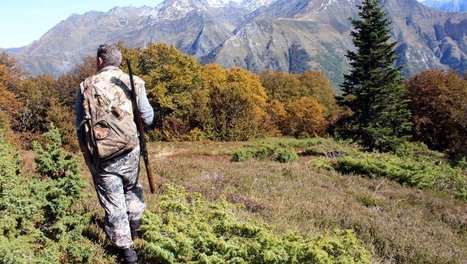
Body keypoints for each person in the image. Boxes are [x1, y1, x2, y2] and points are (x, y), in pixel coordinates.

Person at [75, 44, 154, 264]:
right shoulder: (135, 82)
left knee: (113, 201)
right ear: (118, 61)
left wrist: (86, 154)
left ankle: (127, 253)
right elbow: (147, 118)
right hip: (131, 150)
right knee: (131, 187)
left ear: (100, 61)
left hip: (103, 154)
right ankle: (135, 228)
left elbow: (80, 126)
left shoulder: (86, 86)